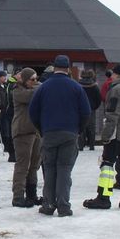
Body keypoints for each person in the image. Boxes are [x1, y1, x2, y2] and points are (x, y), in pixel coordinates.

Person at [28, 55, 91, 217]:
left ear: (54, 68)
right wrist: (78, 129)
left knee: (49, 169)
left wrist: (42, 129)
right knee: (64, 170)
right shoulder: (76, 87)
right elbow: (86, 112)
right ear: (68, 68)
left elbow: (33, 112)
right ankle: (64, 206)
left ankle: (48, 204)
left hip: (49, 133)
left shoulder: (43, 87)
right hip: (70, 133)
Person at [84, 64, 120, 211]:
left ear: (117, 75)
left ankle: (103, 198)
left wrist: (106, 135)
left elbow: (112, 114)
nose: (111, 77)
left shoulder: (117, 89)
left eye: (113, 75)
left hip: (117, 134)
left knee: (107, 165)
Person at [11, 68, 42, 207]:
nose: (35, 82)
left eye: (36, 79)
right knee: (23, 165)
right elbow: (31, 96)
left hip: (35, 131)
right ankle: (18, 196)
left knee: (34, 165)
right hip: (22, 131)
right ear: (24, 79)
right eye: (32, 79)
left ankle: (32, 194)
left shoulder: (34, 89)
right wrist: (40, 87)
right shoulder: (18, 91)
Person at [78, 69, 102, 151]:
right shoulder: (94, 86)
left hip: (80, 109)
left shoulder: (78, 85)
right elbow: (99, 98)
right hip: (91, 108)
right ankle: (91, 145)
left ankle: (81, 145)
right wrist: (94, 107)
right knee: (91, 127)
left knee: (81, 127)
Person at [0, 70, 16, 161]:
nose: (5, 78)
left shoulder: (5, 86)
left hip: (6, 110)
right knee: (4, 130)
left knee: (7, 130)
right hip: (2, 111)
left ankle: (7, 146)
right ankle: (6, 146)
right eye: (3, 76)